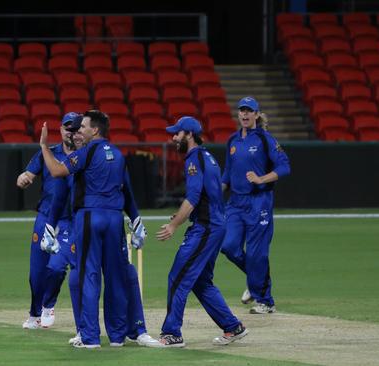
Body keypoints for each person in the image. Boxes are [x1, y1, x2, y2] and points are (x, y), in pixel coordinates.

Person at [42, 118, 159, 348]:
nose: (77, 133)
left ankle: (91, 336)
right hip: (114, 218)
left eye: (81, 128)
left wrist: (44, 146)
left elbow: (56, 173)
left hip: (90, 218)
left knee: (90, 277)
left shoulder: (83, 154)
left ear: (93, 131)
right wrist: (135, 220)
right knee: (113, 277)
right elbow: (126, 192)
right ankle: (116, 337)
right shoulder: (116, 153)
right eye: (73, 130)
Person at [154, 116, 247, 348]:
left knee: (178, 276)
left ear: (189, 134)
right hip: (214, 225)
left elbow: (193, 198)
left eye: (177, 134)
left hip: (205, 228)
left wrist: (174, 225)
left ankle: (172, 333)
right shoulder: (208, 157)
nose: (174, 138)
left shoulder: (194, 159)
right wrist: (182, 216)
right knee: (201, 281)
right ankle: (232, 326)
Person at [220, 97, 291, 314]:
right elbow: (227, 175)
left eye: (249, 111)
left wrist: (261, 179)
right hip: (235, 204)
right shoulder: (232, 141)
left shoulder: (264, 138)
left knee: (256, 254)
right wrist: (212, 195)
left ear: (257, 115)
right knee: (228, 246)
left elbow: (285, 166)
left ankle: (266, 301)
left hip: (259, 202)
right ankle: (255, 279)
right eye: (242, 110)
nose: (245, 114)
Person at [16, 112, 82, 329]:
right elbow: (26, 175)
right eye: (67, 128)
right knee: (36, 273)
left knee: (55, 268)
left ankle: (48, 305)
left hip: (68, 221)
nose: (70, 133)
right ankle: (34, 313)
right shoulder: (49, 153)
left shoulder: (86, 156)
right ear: (60, 130)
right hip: (45, 218)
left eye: (74, 129)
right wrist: (24, 179)